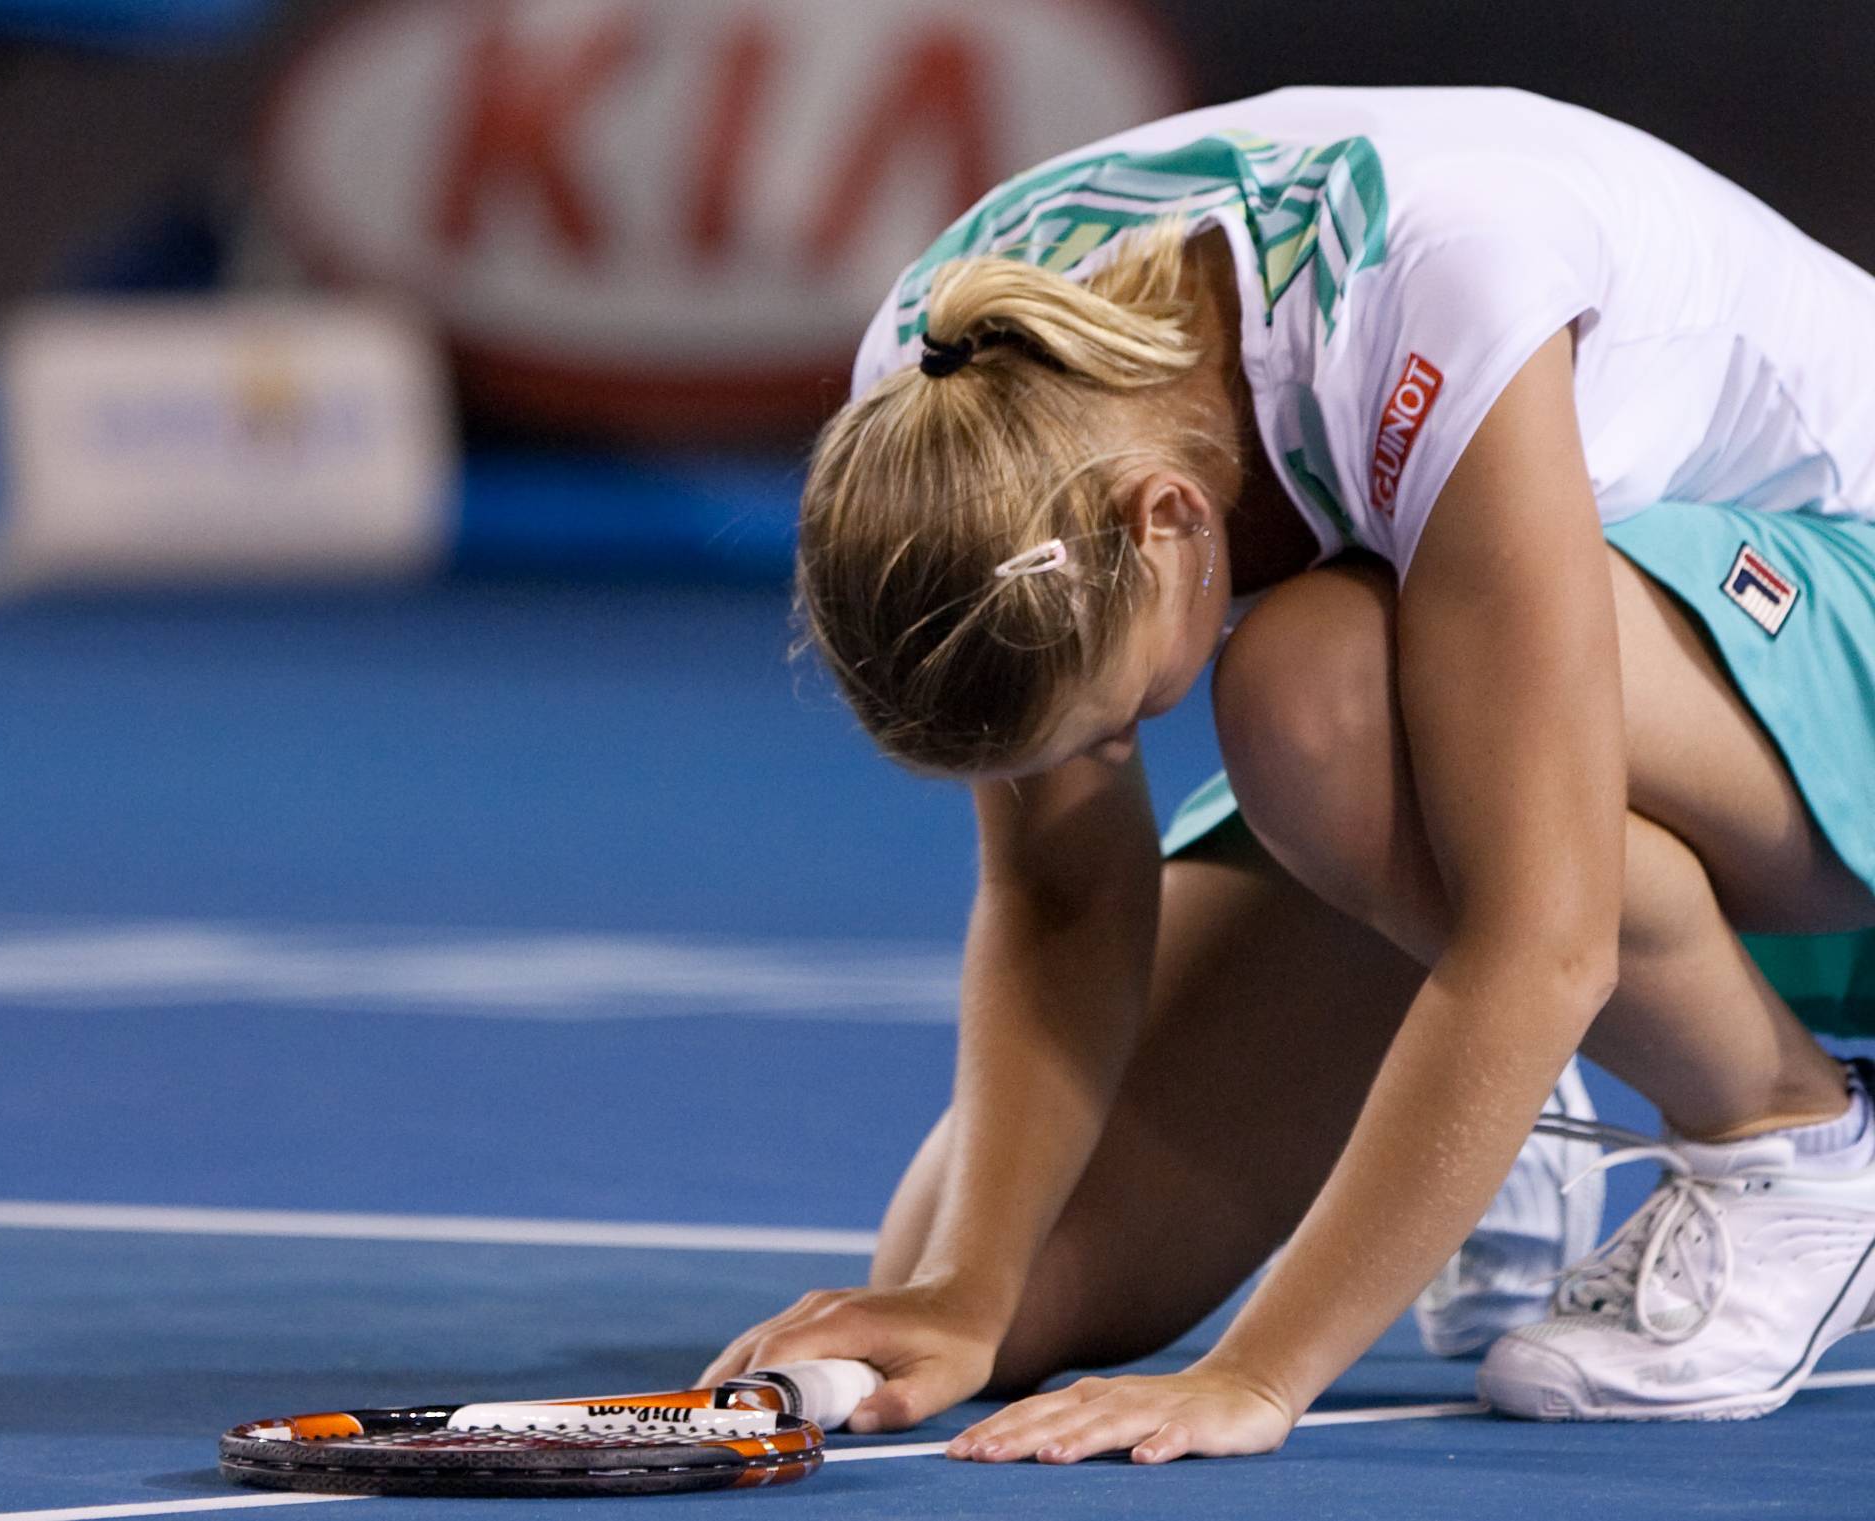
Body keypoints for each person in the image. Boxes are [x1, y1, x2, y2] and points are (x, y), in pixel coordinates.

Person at [702, 86, 1875, 1462]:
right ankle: (1508, 1122)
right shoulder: (945, 404)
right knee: (1009, 1290)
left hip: (1836, 596)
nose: (1094, 764)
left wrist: (1259, 1372)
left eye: (1113, 724)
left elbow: (1539, 940)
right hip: (1539, 682)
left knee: (1313, 691)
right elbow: (1063, 897)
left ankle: (1791, 1143)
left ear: (1169, 518)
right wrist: (964, 1285)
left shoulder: (1439, 298)